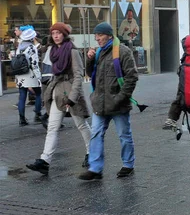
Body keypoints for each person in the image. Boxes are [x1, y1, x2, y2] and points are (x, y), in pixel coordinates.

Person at [26, 23, 92, 175]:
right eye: (53, 33)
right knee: (52, 127)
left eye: (59, 33)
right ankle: (45, 160)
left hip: (70, 92)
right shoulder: (53, 50)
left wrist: (72, 97)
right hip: (57, 92)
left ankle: (91, 152)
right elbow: (48, 71)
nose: (56, 35)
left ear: (64, 35)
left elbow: (78, 76)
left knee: (81, 125)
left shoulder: (72, 51)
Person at [79, 22, 139, 181]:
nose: (97, 38)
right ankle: (95, 168)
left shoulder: (123, 52)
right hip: (100, 103)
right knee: (96, 134)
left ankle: (128, 164)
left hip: (118, 104)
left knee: (124, 135)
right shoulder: (99, 52)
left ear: (109, 35)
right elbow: (91, 74)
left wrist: (120, 98)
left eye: (99, 35)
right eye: (96, 35)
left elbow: (132, 78)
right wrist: (90, 60)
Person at [14, 26, 43, 126]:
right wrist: (39, 76)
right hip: (30, 74)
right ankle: (38, 115)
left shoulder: (20, 47)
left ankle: (22, 119)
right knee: (39, 94)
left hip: (20, 75)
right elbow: (34, 64)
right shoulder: (32, 47)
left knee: (22, 97)